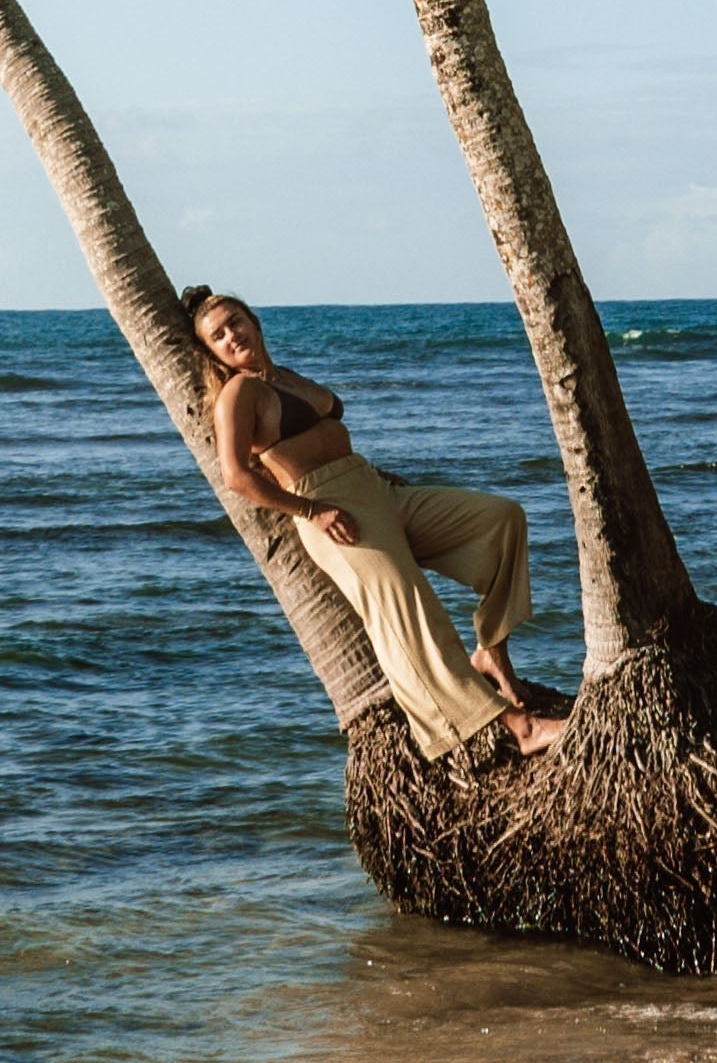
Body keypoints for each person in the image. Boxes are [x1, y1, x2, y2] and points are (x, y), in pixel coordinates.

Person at [186, 287, 561, 761]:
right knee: (408, 611)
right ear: (212, 353)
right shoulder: (238, 393)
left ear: (253, 322)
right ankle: (518, 727)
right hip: (330, 509)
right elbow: (236, 476)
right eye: (217, 335)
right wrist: (310, 511)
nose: (231, 335)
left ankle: (492, 652)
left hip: (373, 488)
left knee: (501, 519)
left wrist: (371, 474)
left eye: (235, 321)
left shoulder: (286, 376)